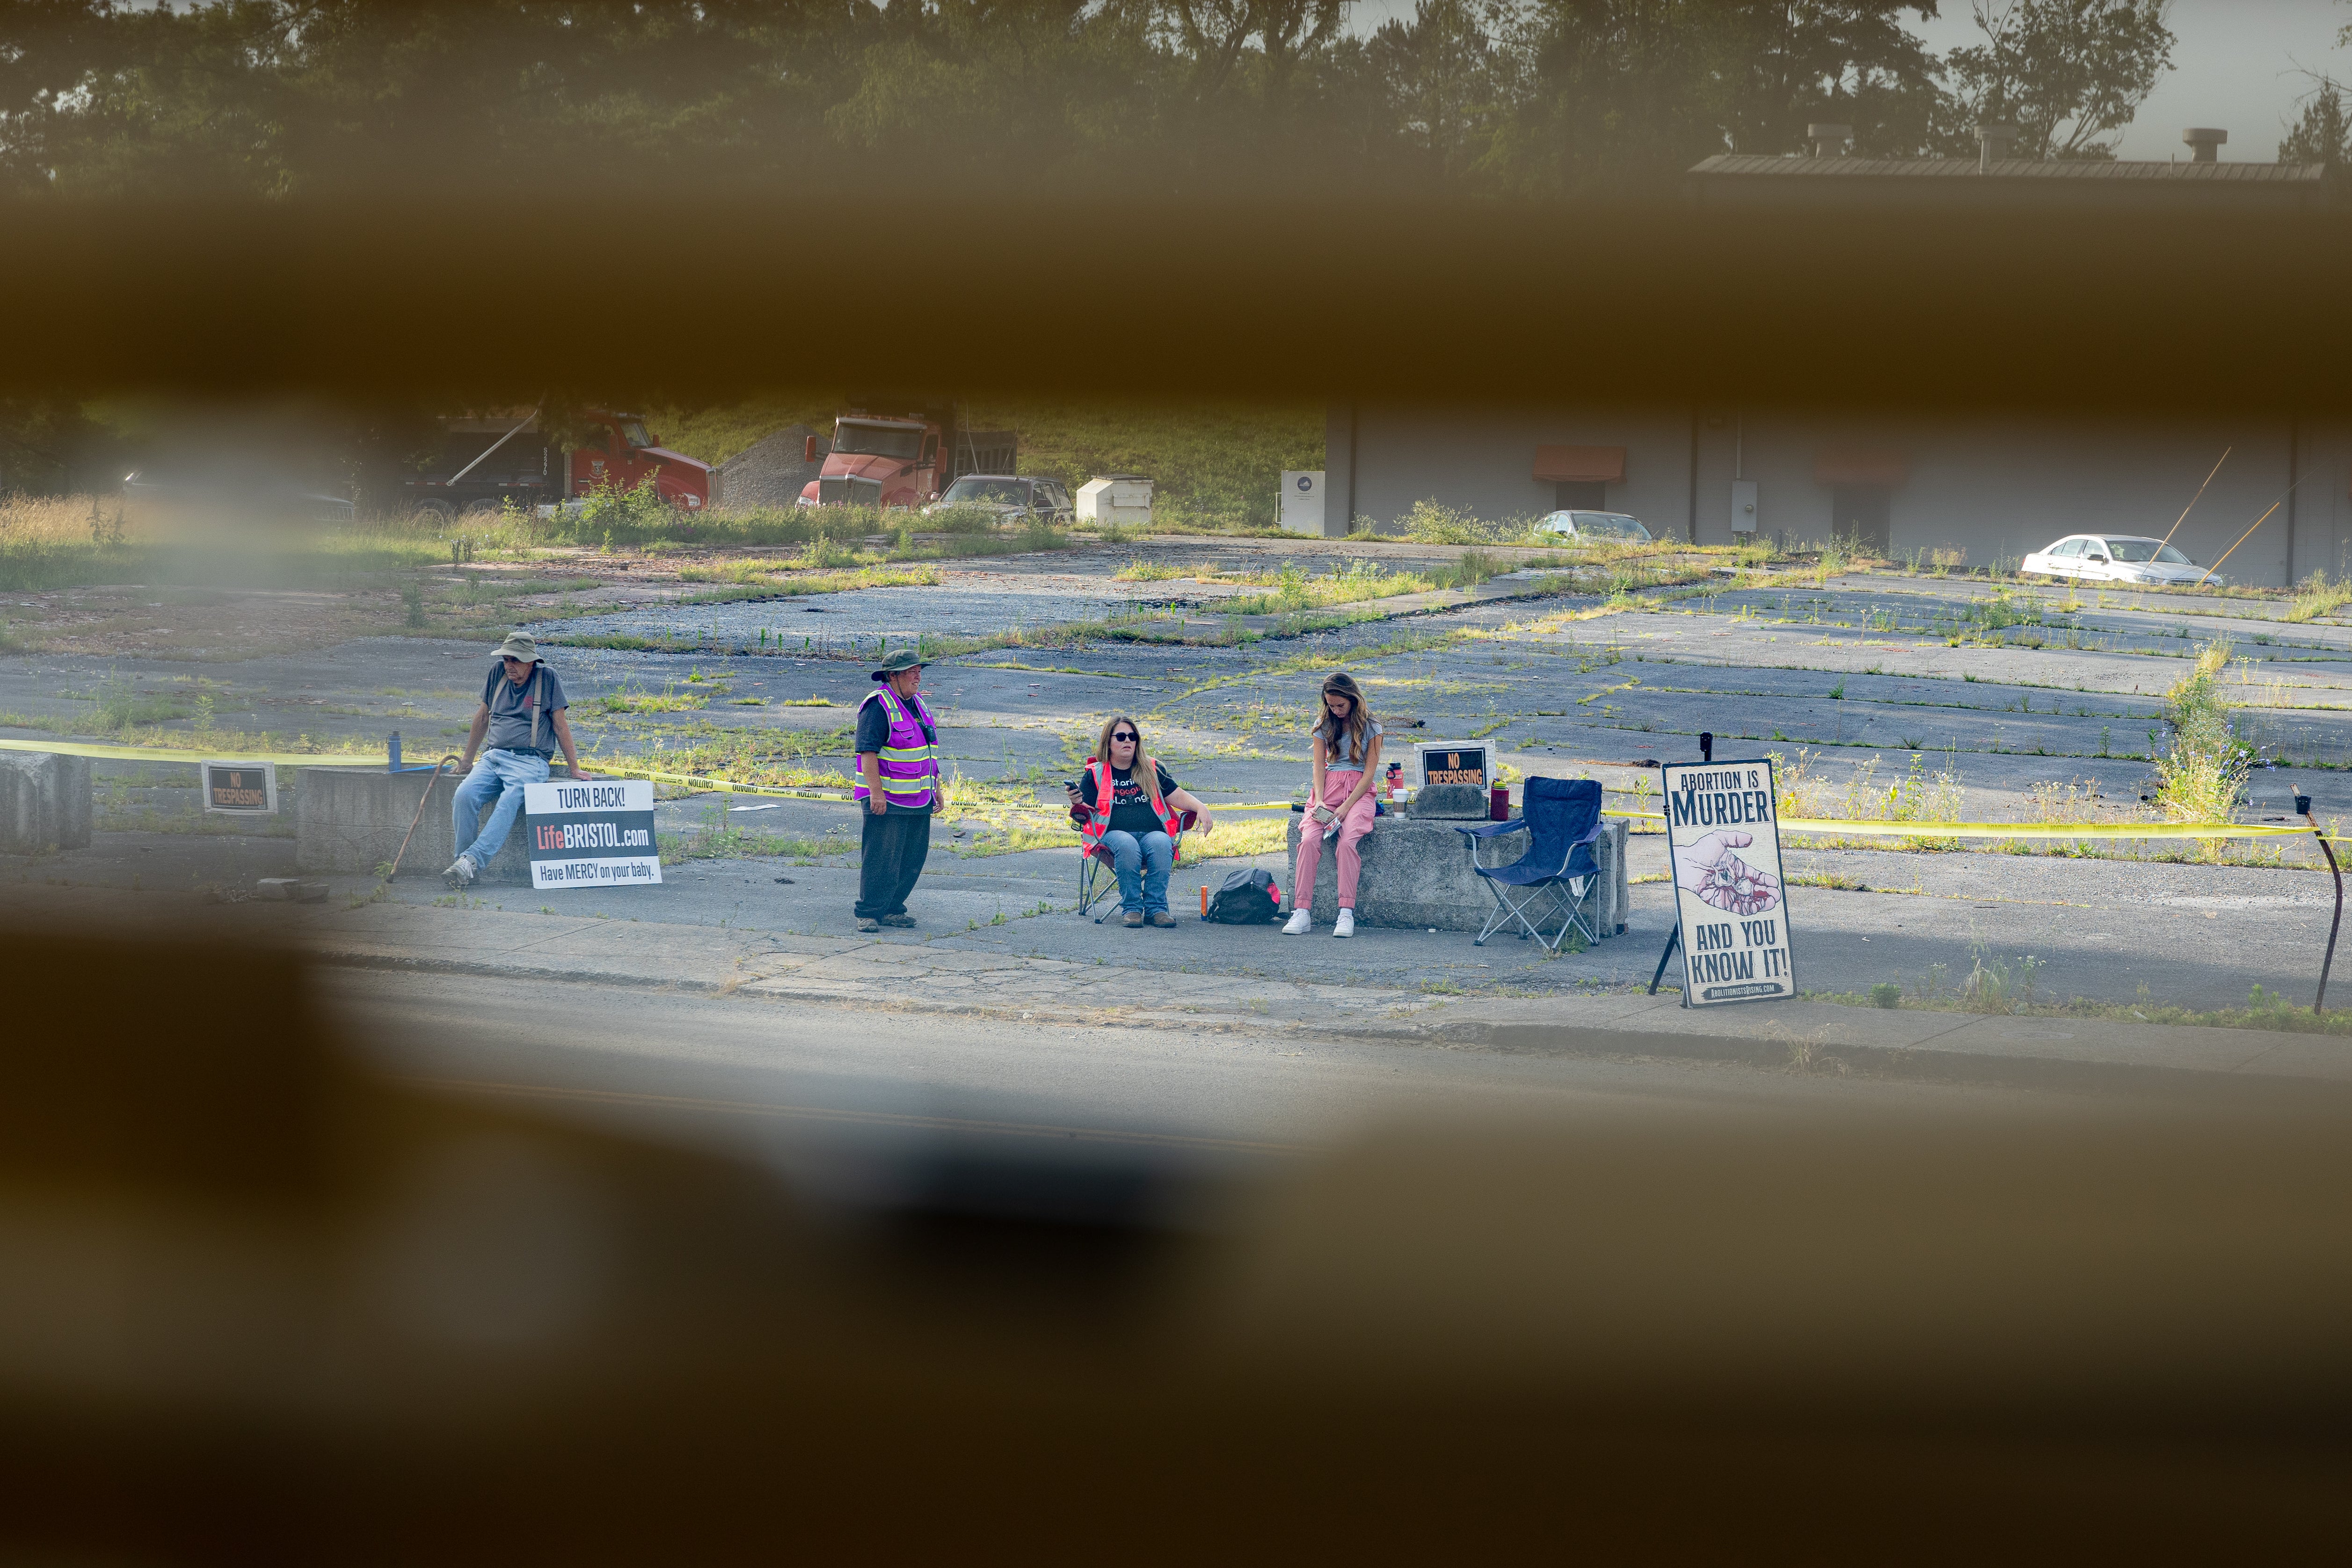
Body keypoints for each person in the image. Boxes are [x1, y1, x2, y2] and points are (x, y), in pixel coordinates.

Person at [444, 630, 593, 889]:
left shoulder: (547, 679)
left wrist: (575, 768)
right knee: (464, 795)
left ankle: (470, 862)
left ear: (531, 661)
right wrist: (468, 760)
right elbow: (482, 718)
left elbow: (560, 725)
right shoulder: (497, 674)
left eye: (515, 660)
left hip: (531, 761)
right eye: (506, 659)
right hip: (494, 757)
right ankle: (463, 865)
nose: (509, 665)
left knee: (510, 799)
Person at [1066, 716, 1216, 928]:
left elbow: (1178, 796)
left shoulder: (1152, 769)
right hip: (1109, 837)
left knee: (1162, 843)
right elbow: (1085, 812)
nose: (1128, 741)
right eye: (1121, 737)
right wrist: (1077, 802)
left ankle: (1157, 909)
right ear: (1108, 742)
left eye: (1132, 736)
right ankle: (1133, 908)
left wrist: (1201, 807)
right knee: (1127, 844)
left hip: (1151, 834)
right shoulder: (1095, 774)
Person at [1284, 671, 1382, 938]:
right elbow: (1318, 767)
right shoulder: (1323, 724)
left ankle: (1345, 913)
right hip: (1328, 789)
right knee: (1309, 841)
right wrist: (1320, 800)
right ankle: (1302, 912)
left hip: (1359, 792)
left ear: (1353, 699)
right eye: (1331, 705)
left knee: (1348, 843)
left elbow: (1370, 773)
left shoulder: (1372, 727)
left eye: (1341, 705)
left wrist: (1345, 807)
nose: (1336, 710)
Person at [853, 648, 944, 934]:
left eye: (919, 671)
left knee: (912, 859)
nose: (918, 677)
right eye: (911, 672)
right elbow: (867, 752)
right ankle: (869, 912)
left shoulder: (919, 705)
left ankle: (893, 909)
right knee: (881, 858)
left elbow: (928, 752)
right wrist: (876, 794)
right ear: (892, 676)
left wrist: (937, 788)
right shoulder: (878, 706)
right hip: (888, 800)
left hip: (920, 798)